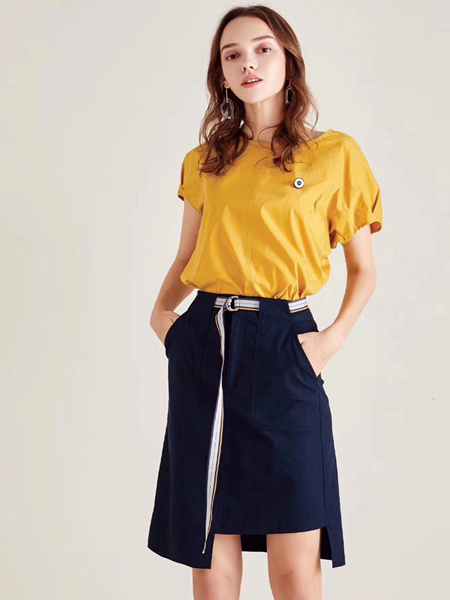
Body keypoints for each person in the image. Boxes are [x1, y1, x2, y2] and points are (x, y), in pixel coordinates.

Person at [147, 6, 383, 600]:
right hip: (206, 344)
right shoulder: (205, 161)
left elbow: (363, 270)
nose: (247, 63)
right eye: (232, 55)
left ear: (288, 59)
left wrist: (329, 342)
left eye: (262, 49)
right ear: (221, 73)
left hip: (286, 348)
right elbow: (187, 257)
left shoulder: (335, 154)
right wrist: (163, 319)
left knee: (294, 567)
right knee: (210, 556)